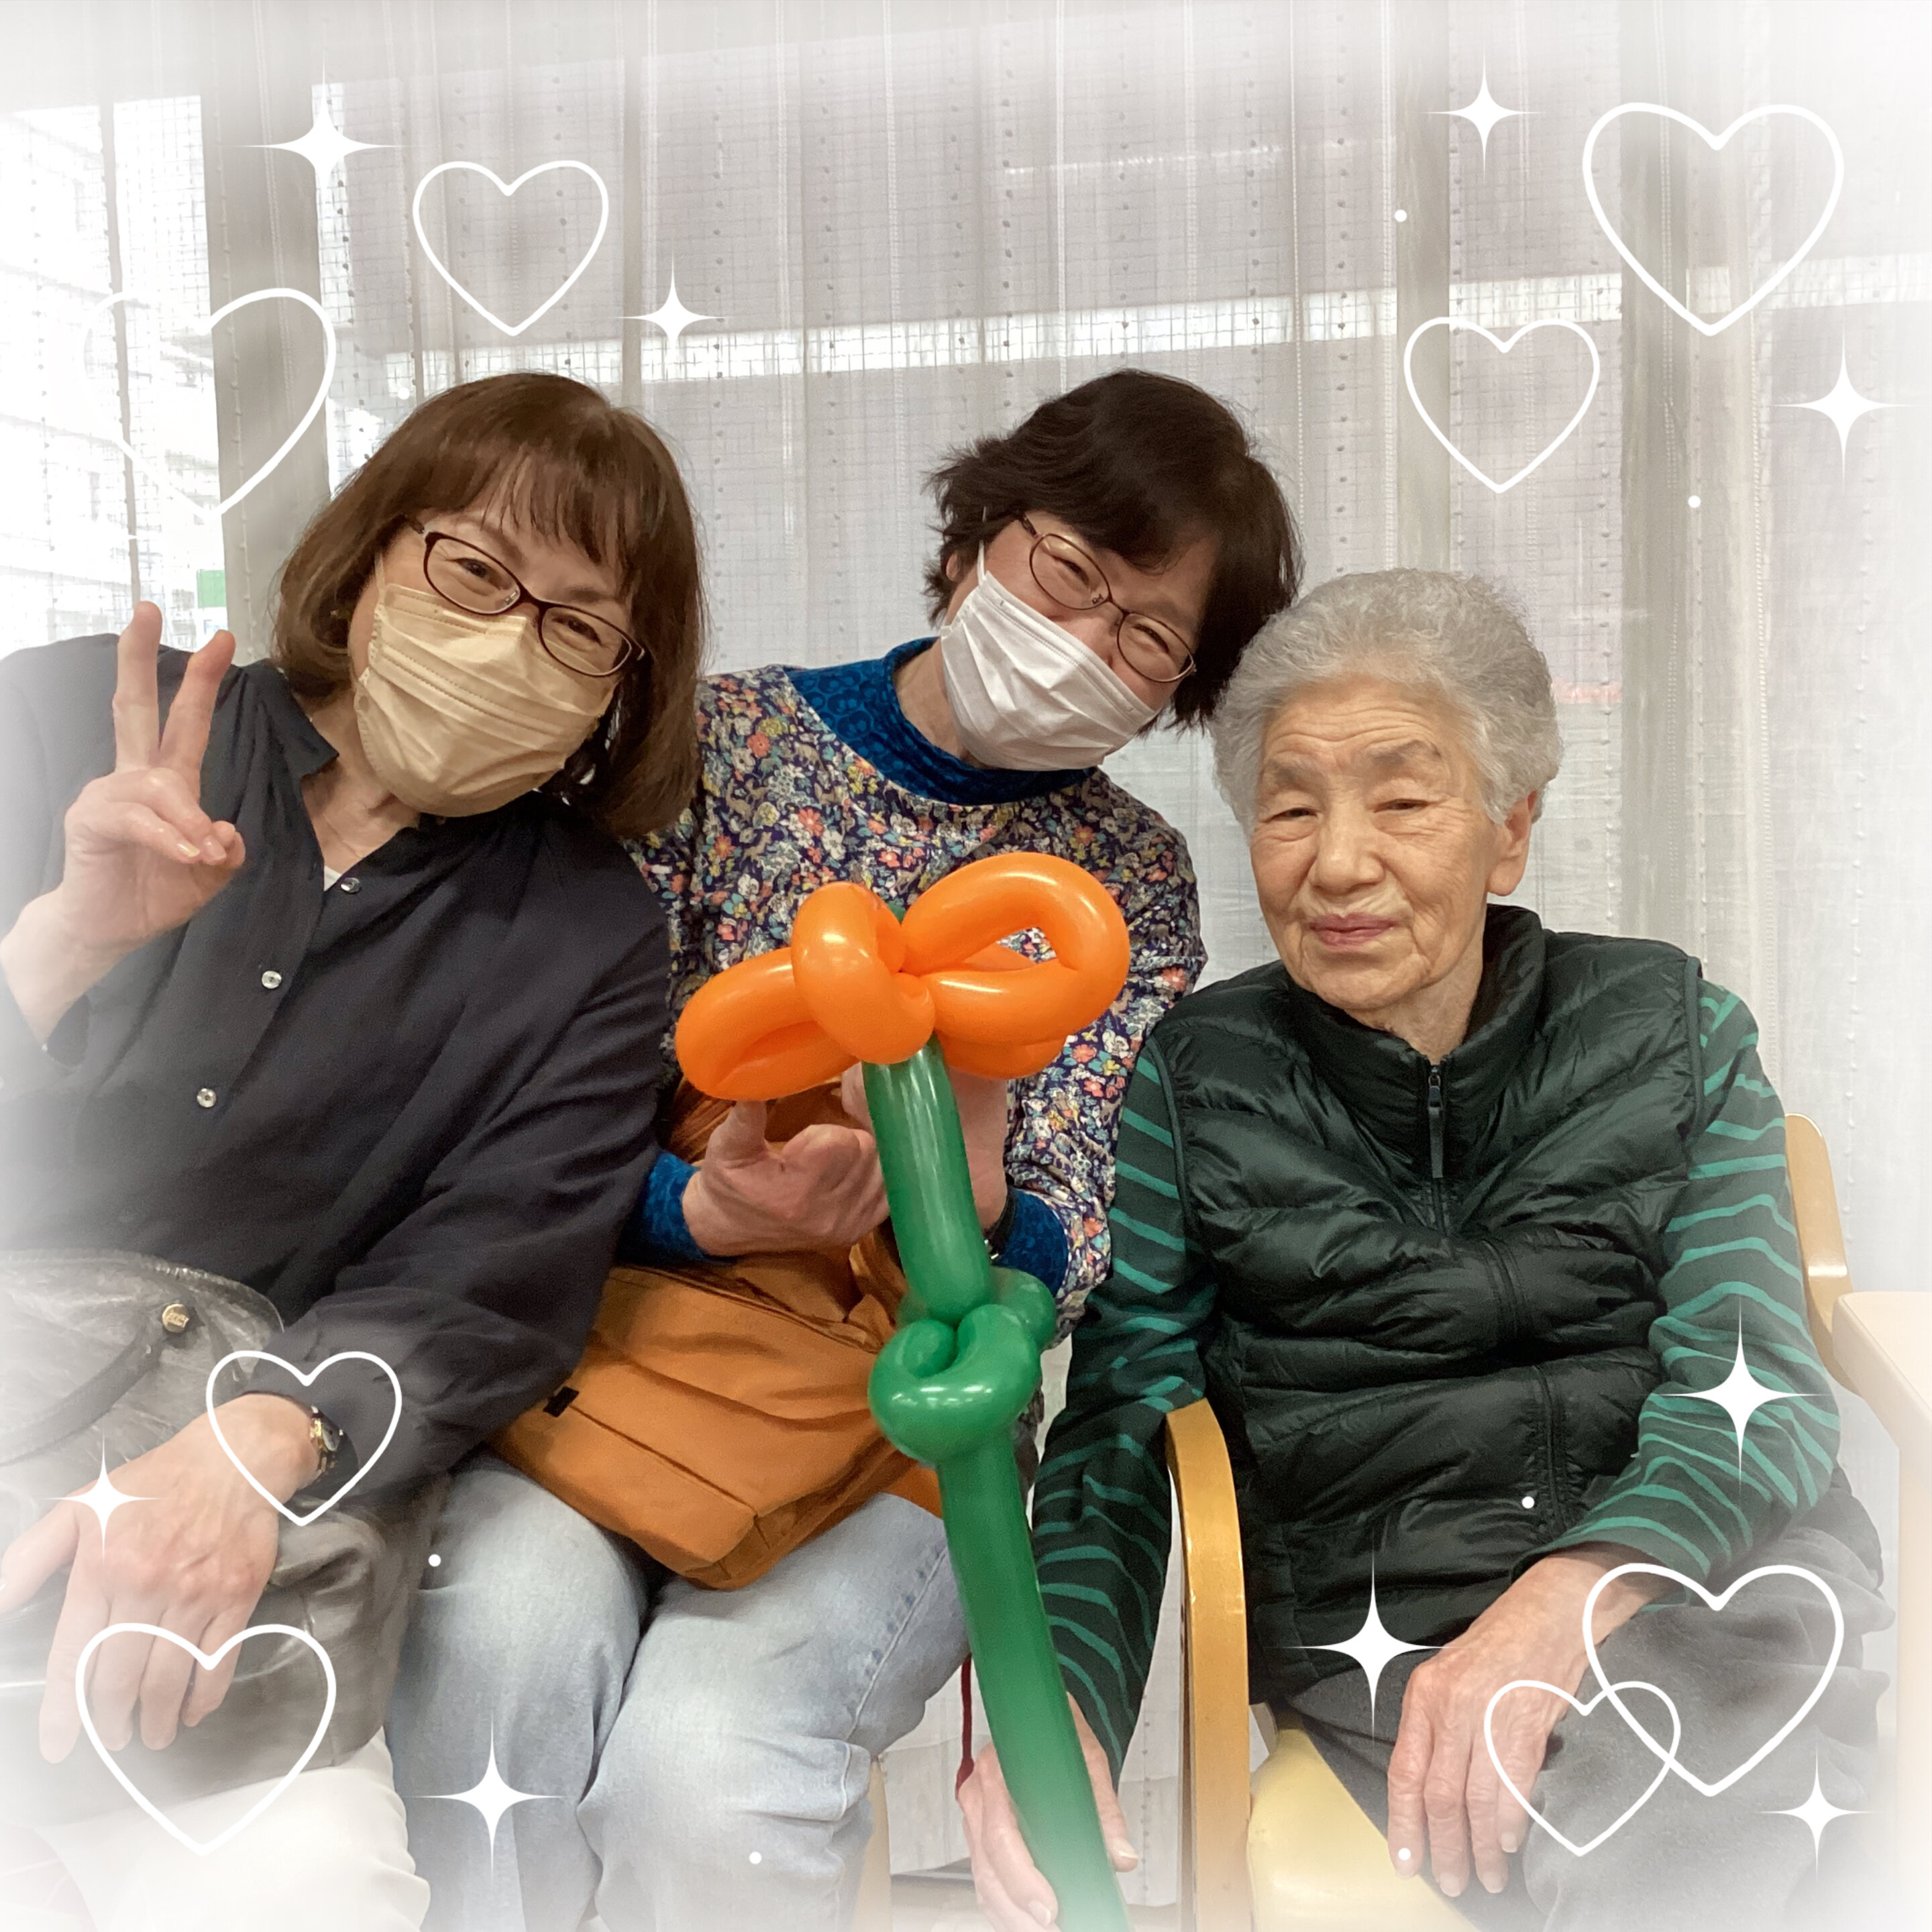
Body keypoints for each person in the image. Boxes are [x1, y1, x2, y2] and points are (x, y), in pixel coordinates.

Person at [388, 368, 1302, 1929]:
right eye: (1068, 572)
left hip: (905, 1415)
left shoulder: (1128, 880)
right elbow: (537, 1108)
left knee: (703, 1763)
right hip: (625, 1355)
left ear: (1177, 692)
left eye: (1149, 637)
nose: (1086, 642)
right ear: (968, 543)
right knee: (495, 1659)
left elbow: (1074, 1222)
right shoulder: (716, 747)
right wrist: (703, 1209)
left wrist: (976, 1170)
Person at [962, 569, 1892, 1931]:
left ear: (1510, 829)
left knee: (1678, 1810)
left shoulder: (1673, 1026)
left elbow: (1756, 1385)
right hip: (1387, 1638)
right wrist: (1060, 1713)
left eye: (1402, 801)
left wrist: (1571, 1597)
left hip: (1702, 1592)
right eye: (1291, 808)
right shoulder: (1197, 1078)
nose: (1339, 862)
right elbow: (1121, 1428)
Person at [0, 372, 704, 1932]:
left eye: (578, 627)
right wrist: (56, 948)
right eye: (475, 570)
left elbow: (494, 1272)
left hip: (254, 1480)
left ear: (622, 683)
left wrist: (257, 1439)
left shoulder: (587, 932)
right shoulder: (67, 726)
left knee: (316, 1886)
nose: (511, 640)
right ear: (377, 551)